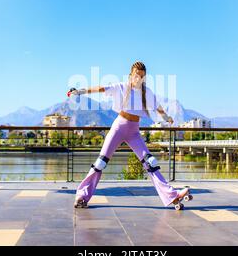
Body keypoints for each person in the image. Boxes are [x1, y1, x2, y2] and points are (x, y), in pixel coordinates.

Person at [68, 61, 192, 210]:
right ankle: (81, 196)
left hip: (134, 131)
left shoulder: (147, 93)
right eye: (136, 75)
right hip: (119, 127)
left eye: (142, 76)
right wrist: (80, 91)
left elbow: (158, 108)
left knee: (150, 162)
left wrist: (167, 118)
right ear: (130, 75)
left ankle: (171, 195)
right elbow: (100, 89)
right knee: (100, 163)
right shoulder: (121, 87)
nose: (139, 78)